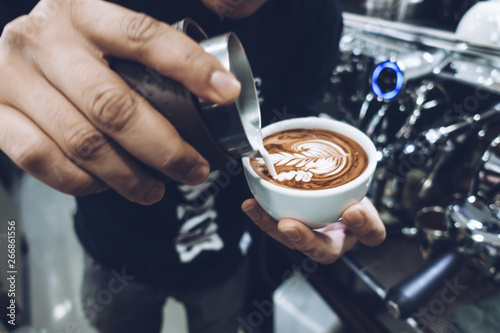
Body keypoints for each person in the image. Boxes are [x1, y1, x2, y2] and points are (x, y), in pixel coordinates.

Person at [0, 0, 386, 332]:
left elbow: (289, 125)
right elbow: (16, 39)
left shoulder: (316, 16)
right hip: (114, 254)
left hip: (225, 256)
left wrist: (318, 205)